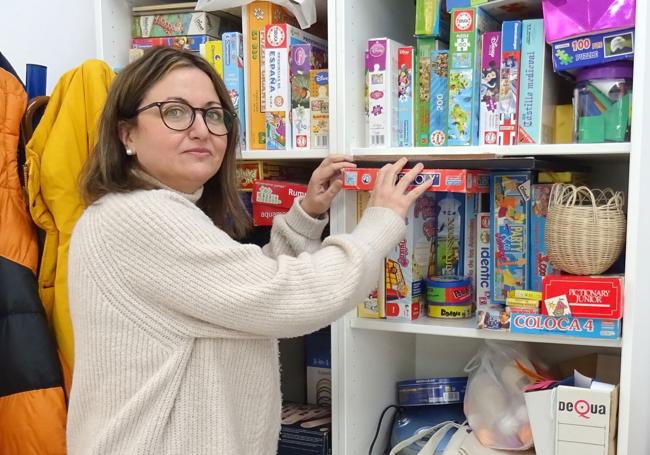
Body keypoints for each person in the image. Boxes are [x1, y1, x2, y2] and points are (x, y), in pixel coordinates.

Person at [67, 47, 431, 454]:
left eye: (213, 114)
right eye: (175, 111)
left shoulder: (145, 211)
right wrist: (380, 221)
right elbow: (288, 298)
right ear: (126, 133)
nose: (201, 129)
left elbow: (236, 298)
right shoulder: (139, 217)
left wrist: (307, 214)